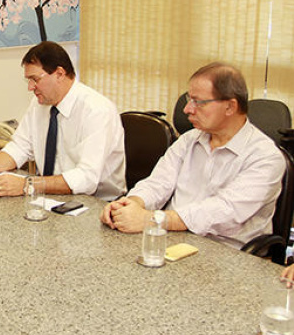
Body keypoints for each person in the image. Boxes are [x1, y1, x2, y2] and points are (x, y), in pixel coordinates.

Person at [101, 62, 285, 249]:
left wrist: (151, 219)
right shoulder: (189, 140)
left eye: (198, 102)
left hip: (226, 253)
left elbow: (224, 211)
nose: (187, 109)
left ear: (230, 107)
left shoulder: (266, 157)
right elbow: (158, 183)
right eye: (190, 99)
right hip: (173, 238)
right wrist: (130, 204)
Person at [0, 41, 126, 200]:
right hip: (50, 197)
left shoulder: (96, 110)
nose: (30, 87)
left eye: (35, 79)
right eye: (28, 80)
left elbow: (87, 179)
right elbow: (19, 147)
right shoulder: (40, 104)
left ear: (59, 74)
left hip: (97, 205)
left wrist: (27, 184)